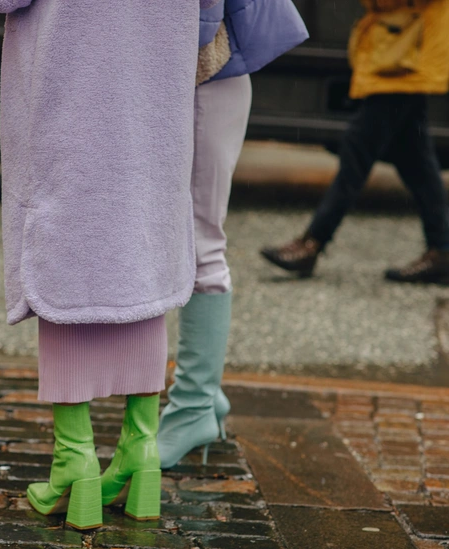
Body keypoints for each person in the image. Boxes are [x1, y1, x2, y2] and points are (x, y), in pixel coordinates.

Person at [0, 0, 202, 530]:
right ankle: (141, 447)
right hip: (154, 102)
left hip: (72, 97)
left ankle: (75, 458)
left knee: (68, 259)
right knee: (141, 261)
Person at [157, 0, 308, 468]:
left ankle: (193, 405)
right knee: (183, 236)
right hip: (199, 69)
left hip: (206, 70)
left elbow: (202, 20)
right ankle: (205, 396)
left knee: (200, 240)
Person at [261, 0, 449, 283]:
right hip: (403, 50)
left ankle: (312, 243)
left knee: (357, 150)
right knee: (417, 163)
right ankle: (442, 250)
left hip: (406, 54)